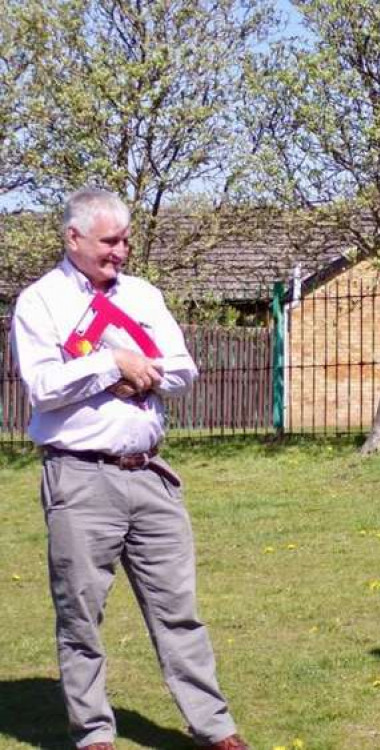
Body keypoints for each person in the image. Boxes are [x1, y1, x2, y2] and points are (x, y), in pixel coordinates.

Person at [12, 188, 249, 750]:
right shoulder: (40, 302)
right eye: (109, 241)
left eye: (125, 241)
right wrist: (109, 363)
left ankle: (214, 728)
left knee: (179, 612)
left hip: (150, 476)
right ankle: (94, 733)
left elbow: (182, 368)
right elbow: (44, 388)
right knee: (81, 616)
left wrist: (136, 373)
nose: (120, 251)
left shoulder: (142, 295)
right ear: (74, 238)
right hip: (80, 477)